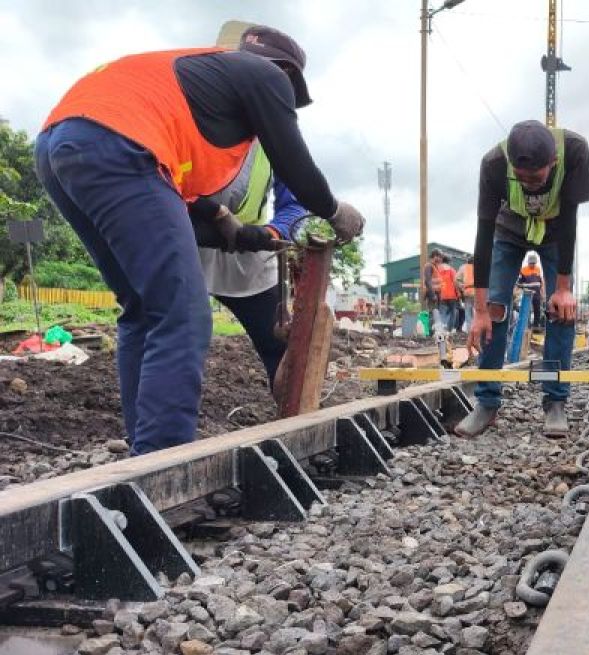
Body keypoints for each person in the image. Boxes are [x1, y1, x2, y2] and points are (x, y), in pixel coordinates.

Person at [35, 25, 364, 456]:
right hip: (120, 146)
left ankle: (144, 452)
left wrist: (227, 223)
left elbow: (170, 201)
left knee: (142, 310)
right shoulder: (261, 75)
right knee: (183, 316)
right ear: (283, 74)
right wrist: (334, 211)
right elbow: (298, 167)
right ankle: (165, 465)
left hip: (59, 144)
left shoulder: (191, 96)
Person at [457, 120, 589, 438]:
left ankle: (555, 401)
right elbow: (483, 233)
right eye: (521, 178)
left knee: (561, 311)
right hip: (507, 231)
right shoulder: (493, 164)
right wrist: (479, 310)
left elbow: (571, 215)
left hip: (556, 231)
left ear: (554, 163)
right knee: (495, 310)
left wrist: (562, 288)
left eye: (536, 177)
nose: (529, 185)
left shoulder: (574, 151)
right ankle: (487, 403)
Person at [198, 138, 305, 388]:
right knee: (181, 335)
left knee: (282, 348)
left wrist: (270, 234)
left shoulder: (273, 133)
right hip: (186, 240)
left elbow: (295, 205)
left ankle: (293, 416)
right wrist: (212, 212)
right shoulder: (195, 109)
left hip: (249, 252)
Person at [517, 251, 546, 330]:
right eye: (531, 263)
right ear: (528, 263)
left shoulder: (538, 269)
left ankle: (536, 325)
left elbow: (541, 282)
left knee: (537, 309)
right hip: (527, 294)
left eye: (534, 263)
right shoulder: (523, 270)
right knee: (527, 310)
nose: (532, 265)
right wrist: (523, 288)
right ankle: (527, 326)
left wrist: (542, 293)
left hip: (537, 294)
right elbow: (519, 283)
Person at [436, 257, 461, 332]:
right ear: (449, 261)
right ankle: (449, 330)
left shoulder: (437, 270)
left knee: (442, 313)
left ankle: (442, 330)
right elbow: (455, 282)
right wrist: (459, 293)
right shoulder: (452, 270)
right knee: (453, 312)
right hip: (452, 295)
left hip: (442, 295)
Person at [457, 256, 476, 332]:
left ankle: (470, 331)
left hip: (467, 292)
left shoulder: (463, 267)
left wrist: (461, 287)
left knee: (468, 313)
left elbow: (456, 279)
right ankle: (478, 331)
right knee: (477, 312)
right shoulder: (479, 266)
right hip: (478, 292)